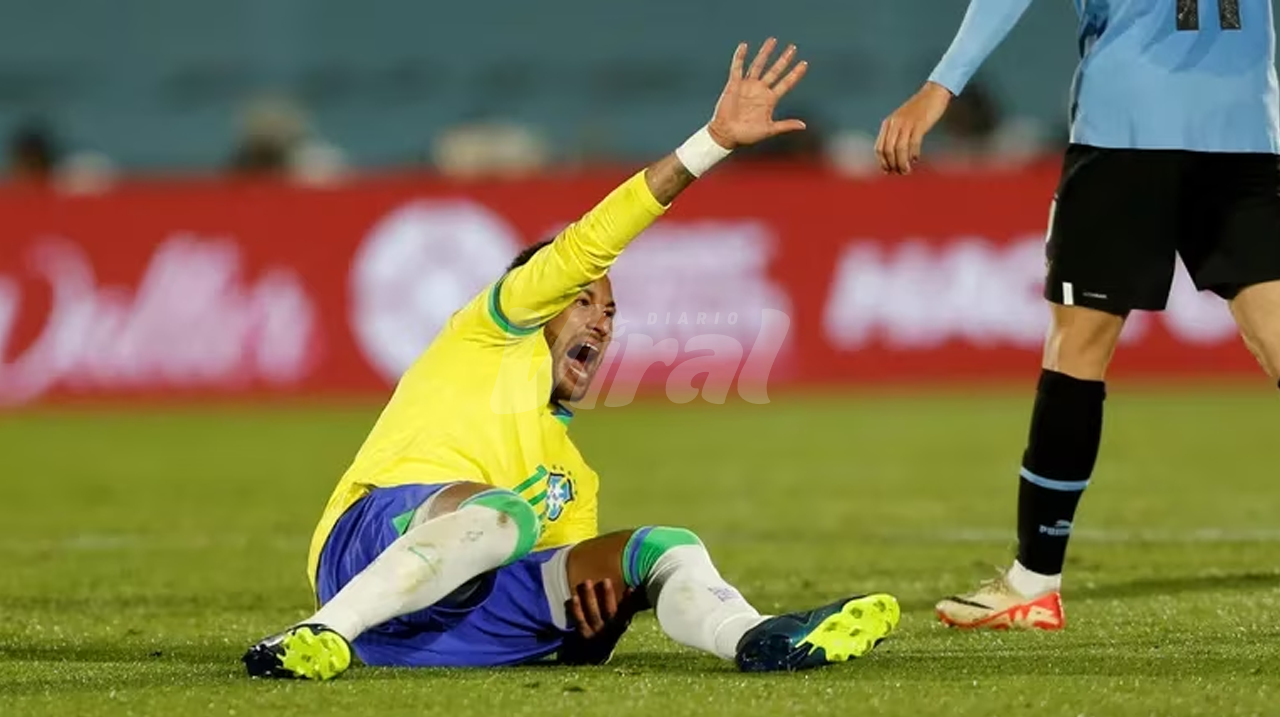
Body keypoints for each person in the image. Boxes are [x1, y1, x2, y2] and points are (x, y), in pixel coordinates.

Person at [243, 39, 899, 679]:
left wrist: (602, 624)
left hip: (447, 629)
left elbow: (573, 626)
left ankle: (753, 637)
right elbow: (590, 242)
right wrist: (712, 143)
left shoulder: (573, 479)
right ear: (540, 300)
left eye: (610, 312)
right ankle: (317, 632)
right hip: (359, 555)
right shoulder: (489, 333)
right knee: (507, 514)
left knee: (664, 546)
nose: (602, 321)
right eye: (583, 301)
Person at [876, 0, 1280, 630]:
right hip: (1248, 128)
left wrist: (940, 87)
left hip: (1128, 130)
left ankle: (1033, 582)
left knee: (1077, 349)